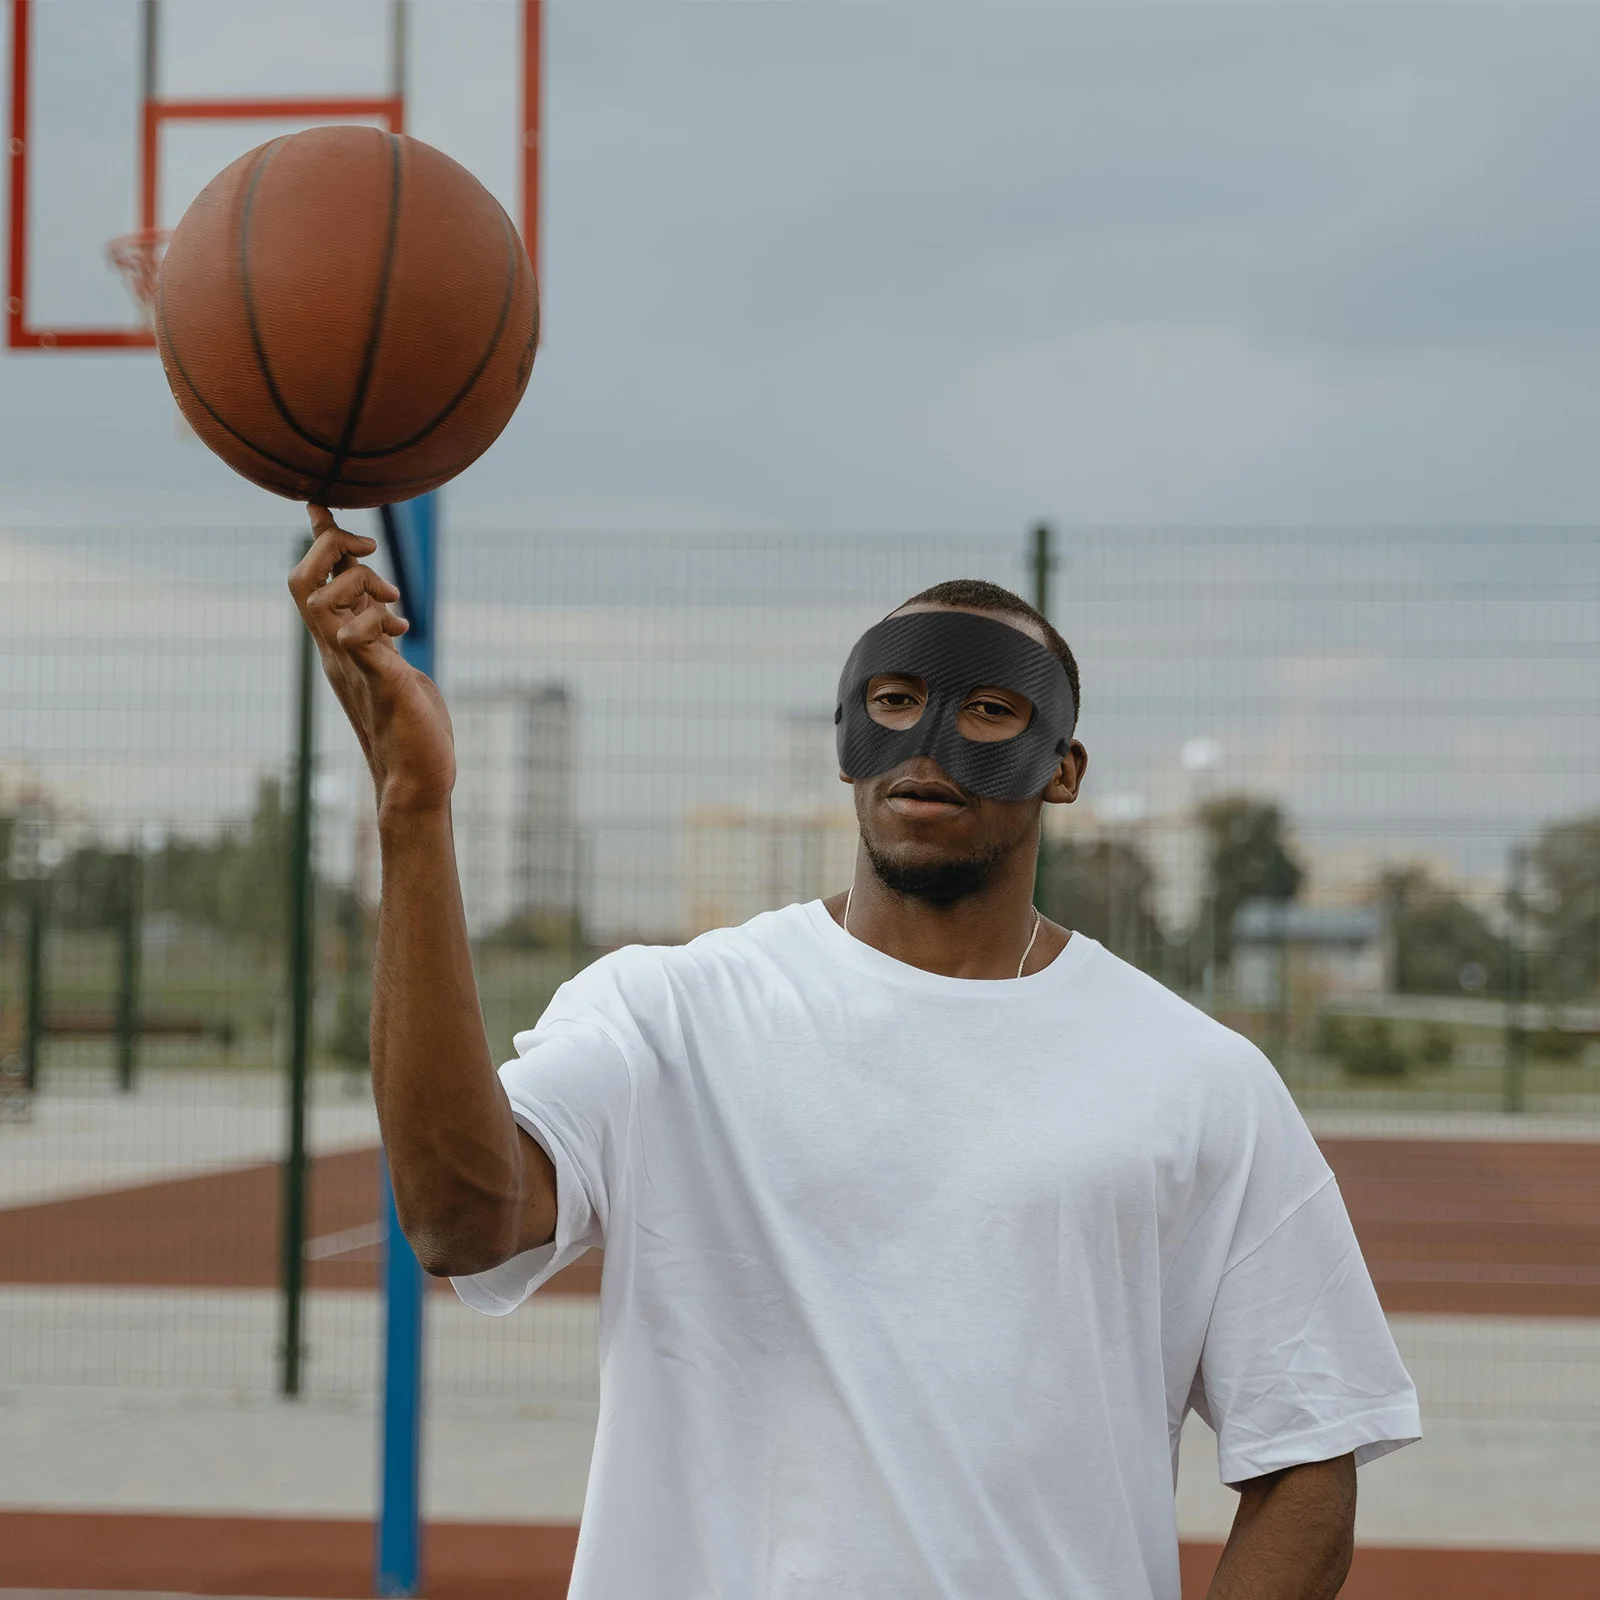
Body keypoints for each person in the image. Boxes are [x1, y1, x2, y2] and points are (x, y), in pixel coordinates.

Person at [290, 505, 1419, 1600]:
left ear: (1061, 769)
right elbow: (455, 1218)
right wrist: (411, 803)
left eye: (987, 709)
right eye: (894, 698)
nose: (929, 741)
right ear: (844, 739)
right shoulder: (668, 1014)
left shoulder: (1197, 1078)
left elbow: (1309, 1461)